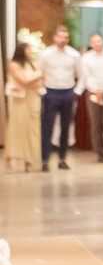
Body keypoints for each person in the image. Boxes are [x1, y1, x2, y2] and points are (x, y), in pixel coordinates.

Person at [37, 25, 81, 172]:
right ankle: (45, 160)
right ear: (55, 38)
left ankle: (62, 159)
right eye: (60, 37)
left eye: (65, 37)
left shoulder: (74, 55)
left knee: (65, 127)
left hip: (67, 91)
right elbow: (39, 73)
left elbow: (82, 75)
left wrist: (77, 91)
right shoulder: (46, 54)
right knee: (47, 127)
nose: (63, 40)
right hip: (50, 91)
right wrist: (42, 91)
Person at [5, 43, 43, 172]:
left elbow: (38, 82)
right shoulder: (14, 65)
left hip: (33, 99)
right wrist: (38, 75)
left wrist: (34, 79)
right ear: (22, 51)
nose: (30, 52)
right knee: (17, 129)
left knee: (32, 130)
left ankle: (29, 161)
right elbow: (24, 80)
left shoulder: (32, 65)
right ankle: (9, 161)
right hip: (20, 100)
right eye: (28, 49)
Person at [81, 33, 103, 162]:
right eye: (94, 42)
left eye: (99, 41)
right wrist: (96, 90)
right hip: (93, 93)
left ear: (102, 41)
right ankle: (100, 153)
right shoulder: (86, 58)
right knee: (96, 124)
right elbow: (85, 76)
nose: (97, 44)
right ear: (91, 44)